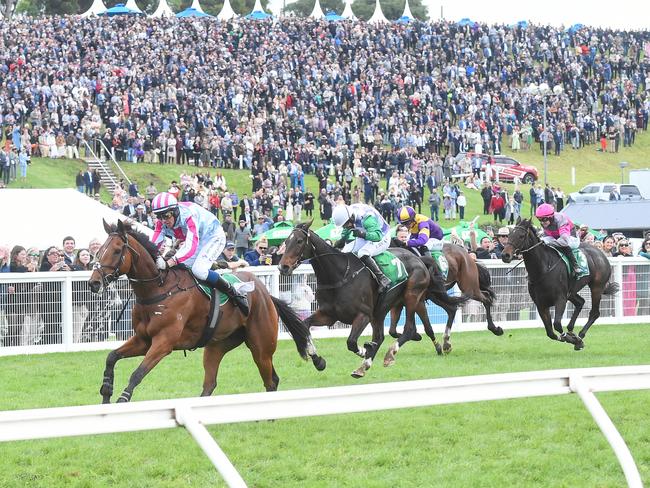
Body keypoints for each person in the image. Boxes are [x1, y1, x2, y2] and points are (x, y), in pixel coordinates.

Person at [150, 192, 249, 316]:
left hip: (213, 236)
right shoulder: (161, 222)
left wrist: (169, 262)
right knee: (177, 270)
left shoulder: (188, 215)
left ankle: (234, 292)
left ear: (175, 211)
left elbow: (191, 245)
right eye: (159, 216)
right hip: (198, 239)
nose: (164, 220)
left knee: (199, 270)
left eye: (167, 215)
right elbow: (153, 245)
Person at [331, 203, 392, 293]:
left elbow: (377, 236)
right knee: (344, 252)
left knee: (362, 253)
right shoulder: (349, 214)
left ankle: (383, 278)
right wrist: (342, 239)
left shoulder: (367, 218)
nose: (345, 227)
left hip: (382, 236)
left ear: (351, 217)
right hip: (365, 234)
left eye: (346, 224)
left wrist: (362, 234)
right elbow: (347, 229)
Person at [535, 203, 581, 275]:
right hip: (556, 238)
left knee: (563, 246)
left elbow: (564, 241)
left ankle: (576, 266)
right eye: (539, 219)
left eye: (544, 219)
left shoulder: (561, 219)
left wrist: (549, 243)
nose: (542, 222)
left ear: (551, 217)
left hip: (571, 238)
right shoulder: (545, 222)